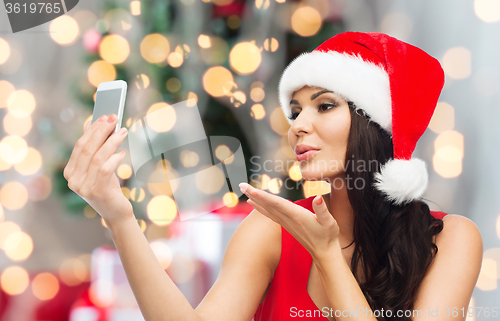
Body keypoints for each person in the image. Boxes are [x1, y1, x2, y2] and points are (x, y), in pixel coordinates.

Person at [64, 31, 483, 321]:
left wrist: (324, 254)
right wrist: (118, 217)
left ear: (376, 123)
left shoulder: (450, 239)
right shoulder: (271, 229)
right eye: (295, 110)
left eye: (324, 106)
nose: (297, 125)